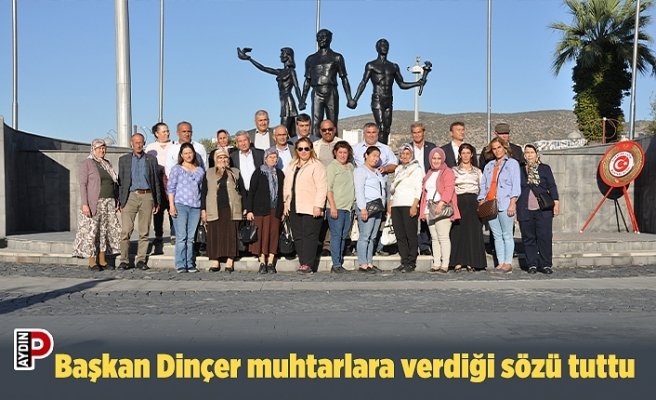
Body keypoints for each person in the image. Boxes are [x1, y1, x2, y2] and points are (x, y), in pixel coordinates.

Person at [352, 39, 425, 144]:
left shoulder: (393, 66)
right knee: (381, 127)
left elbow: (401, 84)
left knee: (386, 129)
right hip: (377, 98)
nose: (384, 47)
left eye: (386, 45)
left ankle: (383, 149)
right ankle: (379, 151)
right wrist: (355, 99)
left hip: (389, 100)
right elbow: (363, 83)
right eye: (382, 45)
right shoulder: (371, 65)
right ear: (377, 48)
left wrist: (417, 83)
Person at [72, 139, 121, 270]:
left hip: (109, 202)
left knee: (105, 231)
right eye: (98, 148)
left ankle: (102, 259)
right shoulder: (87, 163)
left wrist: (116, 199)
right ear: (93, 149)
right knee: (92, 231)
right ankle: (92, 261)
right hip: (95, 202)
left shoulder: (107, 164)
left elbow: (113, 183)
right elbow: (83, 184)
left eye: (103, 148)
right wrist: (85, 204)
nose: (101, 150)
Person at [117, 133, 161, 271]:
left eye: (141, 142)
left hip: (147, 196)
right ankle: (124, 260)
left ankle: (141, 260)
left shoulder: (151, 159)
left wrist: (157, 200)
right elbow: (120, 181)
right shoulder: (124, 160)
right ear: (131, 143)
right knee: (126, 231)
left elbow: (156, 180)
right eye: (136, 142)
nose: (138, 145)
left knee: (144, 231)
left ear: (144, 143)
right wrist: (120, 200)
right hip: (130, 196)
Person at [283, 137, 327, 273]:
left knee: (310, 236)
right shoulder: (292, 165)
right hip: (294, 205)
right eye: (300, 149)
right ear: (296, 150)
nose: (303, 151)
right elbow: (287, 186)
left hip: (311, 205)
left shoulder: (317, 165)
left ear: (311, 149)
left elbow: (322, 187)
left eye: (306, 149)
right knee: (298, 236)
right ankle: (303, 262)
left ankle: (308, 264)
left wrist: (318, 205)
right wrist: (285, 203)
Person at [300, 29, 355, 136]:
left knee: (332, 122)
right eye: (319, 37)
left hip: (331, 92)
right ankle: (315, 145)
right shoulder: (310, 59)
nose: (321, 39)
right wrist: (303, 99)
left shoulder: (337, 57)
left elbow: (344, 78)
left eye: (324, 36)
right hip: (316, 92)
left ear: (330, 39)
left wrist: (349, 98)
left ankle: (335, 145)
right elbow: (307, 80)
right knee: (316, 122)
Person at [478, 137, 521, 273]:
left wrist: (512, 203)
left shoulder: (512, 164)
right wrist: (481, 199)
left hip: (505, 203)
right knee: (496, 235)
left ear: (504, 147)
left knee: (507, 234)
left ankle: (508, 263)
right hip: (491, 204)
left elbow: (516, 185)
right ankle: (500, 262)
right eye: (494, 149)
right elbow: (483, 184)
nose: (497, 151)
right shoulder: (489, 166)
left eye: (499, 147)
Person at [238, 47, 302, 137]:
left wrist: (301, 101)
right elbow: (263, 68)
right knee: (290, 133)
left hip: (288, 102)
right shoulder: (280, 71)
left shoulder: (291, 71)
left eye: (282, 54)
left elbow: (296, 87)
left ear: (288, 56)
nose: (280, 56)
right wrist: (249, 59)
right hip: (283, 101)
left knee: (283, 131)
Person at [517, 144, 560, 274]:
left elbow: (552, 186)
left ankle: (546, 264)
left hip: (543, 209)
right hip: (525, 208)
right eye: (527, 152)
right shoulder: (520, 170)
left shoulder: (545, 169)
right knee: (528, 237)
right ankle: (532, 264)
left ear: (537, 154)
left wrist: (556, 202)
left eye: (532, 152)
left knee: (544, 237)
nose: (529, 155)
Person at [420, 147, 460, 273]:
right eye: (434, 158)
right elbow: (425, 193)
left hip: (441, 207)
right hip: (429, 208)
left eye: (438, 158)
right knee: (434, 237)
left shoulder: (447, 172)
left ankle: (445, 263)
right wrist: (423, 211)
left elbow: (449, 189)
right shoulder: (429, 173)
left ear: (442, 159)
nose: (436, 161)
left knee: (443, 237)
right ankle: (436, 263)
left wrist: (442, 203)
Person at [201, 149, 242, 273]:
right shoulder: (209, 173)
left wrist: (245, 208)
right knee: (214, 234)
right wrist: (203, 210)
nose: (222, 160)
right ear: (215, 159)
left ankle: (230, 260)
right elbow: (204, 192)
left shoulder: (235, 172)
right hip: (214, 207)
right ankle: (215, 260)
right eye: (220, 157)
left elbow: (242, 191)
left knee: (230, 234)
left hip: (231, 207)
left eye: (225, 157)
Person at [245, 147, 285, 274]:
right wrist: (249, 210)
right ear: (265, 159)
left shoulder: (279, 174)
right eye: (270, 157)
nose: (273, 159)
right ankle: (262, 262)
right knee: (261, 236)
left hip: (275, 210)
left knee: (273, 235)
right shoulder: (259, 172)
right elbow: (251, 192)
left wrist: (283, 209)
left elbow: (283, 193)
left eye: (275, 157)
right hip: (260, 210)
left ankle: (271, 262)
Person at [168, 143, 205, 273]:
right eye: (185, 153)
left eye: (190, 153)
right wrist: (171, 205)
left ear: (194, 153)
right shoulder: (177, 169)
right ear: (181, 155)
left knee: (191, 238)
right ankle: (180, 264)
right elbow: (171, 188)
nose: (188, 155)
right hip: (180, 204)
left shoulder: (200, 170)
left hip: (195, 206)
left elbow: (202, 189)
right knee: (181, 236)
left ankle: (190, 263)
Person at [449, 143, 487, 271]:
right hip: (458, 201)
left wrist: (481, 201)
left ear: (471, 155)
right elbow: (450, 187)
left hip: (473, 202)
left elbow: (482, 188)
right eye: (463, 153)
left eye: (468, 153)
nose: (465, 155)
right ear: (460, 155)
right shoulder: (453, 170)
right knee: (458, 231)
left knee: (473, 232)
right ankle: (458, 261)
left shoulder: (477, 171)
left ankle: (473, 261)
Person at [388, 143, 425, 273]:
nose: (404, 156)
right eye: (402, 154)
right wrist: (390, 203)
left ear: (411, 155)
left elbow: (418, 188)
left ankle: (411, 261)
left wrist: (415, 205)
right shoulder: (398, 169)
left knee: (411, 234)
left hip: (409, 204)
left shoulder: (416, 169)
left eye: (407, 153)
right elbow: (394, 188)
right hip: (396, 205)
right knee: (400, 235)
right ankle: (404, 260)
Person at [354, 146, 386, 273]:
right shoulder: (361, 171)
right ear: (366, 155)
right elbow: (359, 190)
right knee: (365, 236)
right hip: (367, 206)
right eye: (373, 155)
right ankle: (363, 263)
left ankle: (369, 262)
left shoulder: (377, 172)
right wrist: (362, 208)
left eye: (378, 156)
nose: (376, 158)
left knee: (373, 236)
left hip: (377, 207)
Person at [325, 141, 355, 273]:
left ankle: (339, 260)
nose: (342, 155)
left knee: (343, 236)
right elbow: (329, 189)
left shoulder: (351, 167)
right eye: (340, 152)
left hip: (348, 208)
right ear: (335, 153)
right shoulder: (332, 167)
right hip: (336, 207)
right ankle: (336, 264)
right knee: (336, 235)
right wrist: (332, 206)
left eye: (345, 152)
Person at [145, 122, 174, 252]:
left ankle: (174, 233)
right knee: (158, 209)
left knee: (172, 207)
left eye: (167, 131)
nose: (167, 133)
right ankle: (158, 235)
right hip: (157, 180)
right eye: (163, 131)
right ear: (156, 133)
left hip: (171, 180)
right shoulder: (151, 147)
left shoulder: (174, 145)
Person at [411, 122, 437, 255]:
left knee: (426, 216)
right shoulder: (408, 148)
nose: (417, 135)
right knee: (412, 216)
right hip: (412, 187)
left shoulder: (431, 147)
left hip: (428, 187)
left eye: (419, 132)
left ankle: (424, 245)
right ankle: (412, 246)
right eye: (414, 132)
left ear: (423, 132)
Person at [230, 130, 264, 210]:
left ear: (249, 141)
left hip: (258, 193)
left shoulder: (260, 154)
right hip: (242, 194)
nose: (243, 143)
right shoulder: (232, 157)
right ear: (237, 144)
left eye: (245, 140)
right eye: (240, 141)